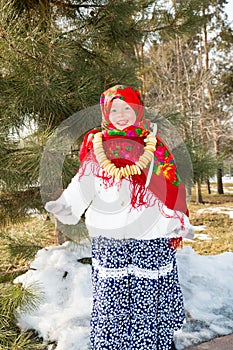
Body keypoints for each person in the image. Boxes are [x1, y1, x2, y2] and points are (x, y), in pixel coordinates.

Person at [45, 85, 193, 350]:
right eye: (114, 109)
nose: (121, 114)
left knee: (147, 293)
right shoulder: (97, 145)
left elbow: (171, 184)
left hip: (150, 235)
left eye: (128, 108)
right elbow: (84, 182)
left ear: (138, 110)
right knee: (111, 296)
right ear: (105, 111)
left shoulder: (154, 146)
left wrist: (175, 219)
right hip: (109, 235)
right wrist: (67, 205)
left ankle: (152, 343)